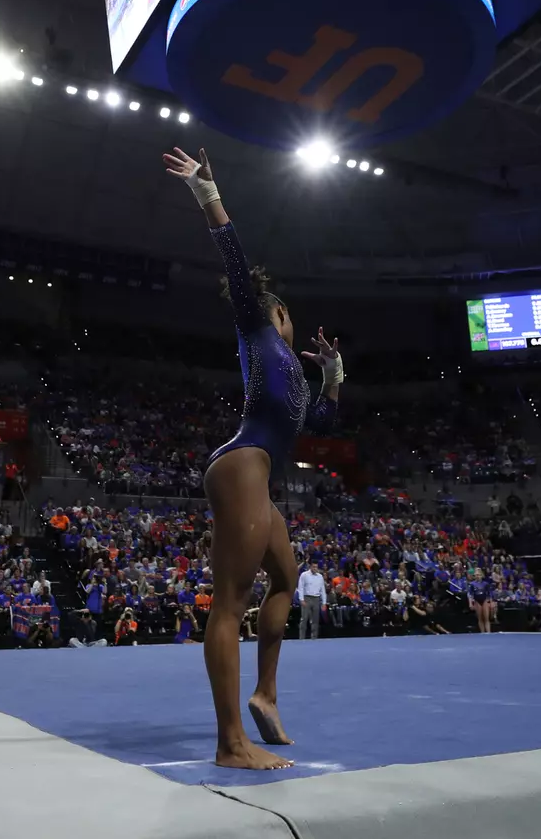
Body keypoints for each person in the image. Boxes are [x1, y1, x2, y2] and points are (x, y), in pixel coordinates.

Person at [163, 145, 342, 771]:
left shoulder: (293, 368)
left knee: (287, 578)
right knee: (230, 602)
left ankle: (265, 694)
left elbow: (321, 423)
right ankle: (230, 743)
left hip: (260, 476)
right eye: (284, 310)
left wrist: (336, 377)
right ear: (276, 314)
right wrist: (208, 195)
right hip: (241, 465)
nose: (290, 317)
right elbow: (238, 268)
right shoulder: (257, 330)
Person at [296, 560, 326, 640]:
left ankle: (314, 637)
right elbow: (300, 587)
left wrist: (324, 602)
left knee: (315, 619)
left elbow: (322, 589)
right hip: (307, 598)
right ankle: (301, 638)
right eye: (314, 567)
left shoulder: (320, 576)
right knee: (304, 618)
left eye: (316, 567)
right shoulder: (304, 575)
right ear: (310, 567)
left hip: (316, 598)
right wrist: (301, 599)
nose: (315, 568)